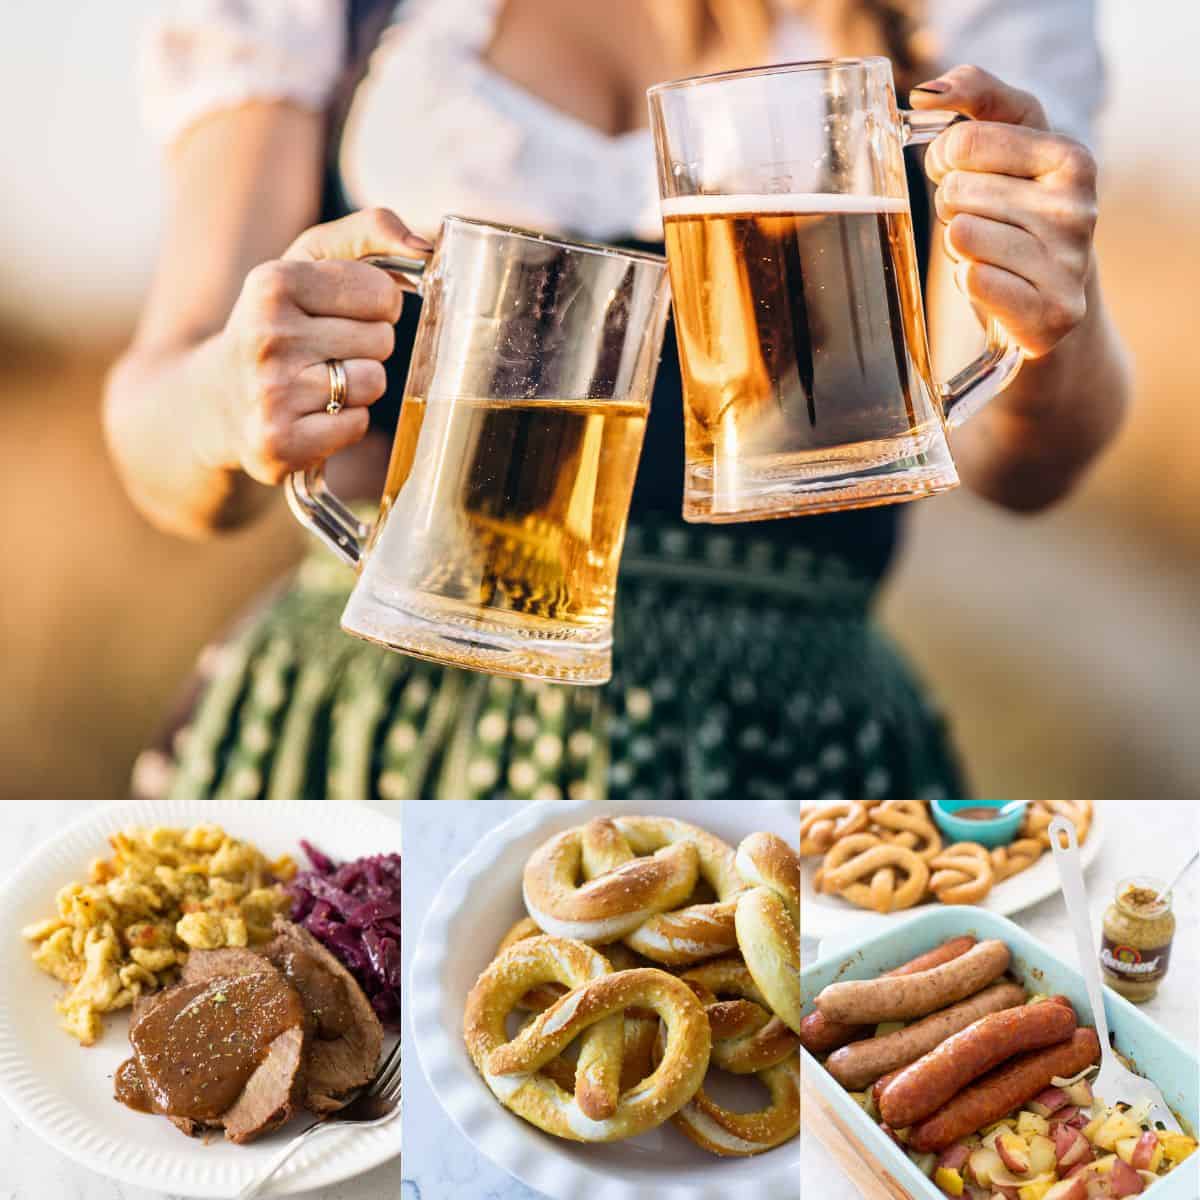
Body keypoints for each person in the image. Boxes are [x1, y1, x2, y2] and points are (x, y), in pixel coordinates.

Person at [105, 0, 1129, 801]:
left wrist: (1042, 317)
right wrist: (225, 394)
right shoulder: (327, 14)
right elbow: (164, 426)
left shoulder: (958, 16)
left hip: (785, 729)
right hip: (373, 715)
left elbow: (1014, 458)